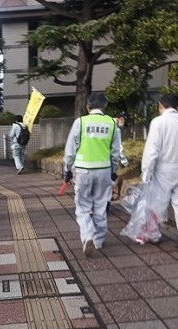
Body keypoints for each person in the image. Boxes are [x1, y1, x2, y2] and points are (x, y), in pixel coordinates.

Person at [141, 93, 178, 252]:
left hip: (163, 171)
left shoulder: (158, 122)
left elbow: (151, 151)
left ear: (160, 106)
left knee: (156, 204)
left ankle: (153, 234)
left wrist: (146, 172)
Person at [63, 93, 120, 257]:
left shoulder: (80, 122)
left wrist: (67, 169)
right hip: (104, 169)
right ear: (105, 106)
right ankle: (99, 241)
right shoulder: (111, 123)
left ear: (87, 107)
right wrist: (113, 171)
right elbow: (115, 152)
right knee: (101, 207)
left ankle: (88, 235)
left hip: (83, 170)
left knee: (82, 208)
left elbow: (70, 150)